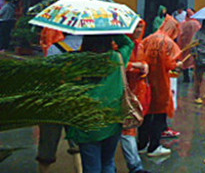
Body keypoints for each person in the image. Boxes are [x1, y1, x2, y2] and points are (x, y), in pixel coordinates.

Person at [66, 33, 134, 173]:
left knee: (91, 166)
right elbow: (128, 44)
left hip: (87, 121)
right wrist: (113, 29)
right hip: (113, 119)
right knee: (108, 162)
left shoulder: (78, 61)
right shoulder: (117, 58)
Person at [36, 32, 83, 173]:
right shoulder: (89, 49)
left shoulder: (55, 48)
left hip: (56, 100)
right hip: (79, 100)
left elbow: (48, 73)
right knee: (77, 145)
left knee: (48, 142)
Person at [139, 15, 182, 157]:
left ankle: (142, 144)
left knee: (146, 113)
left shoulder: (149, 38)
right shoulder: (168, 43)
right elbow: (169, 63)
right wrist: (177, 65)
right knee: (159, 115)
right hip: (161, 82)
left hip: (146, 81)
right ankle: (154, 146)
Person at [120, 19, 152, 173]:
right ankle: (135, 165)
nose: (139, 30)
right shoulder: (122, 46)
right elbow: (119, 64)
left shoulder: (141, 44)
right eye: (136, 27)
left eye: (141, 27)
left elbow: (145, 62)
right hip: (123, 91)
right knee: (128, 128)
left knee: (132, 126)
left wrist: (144, 66)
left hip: (138, 90)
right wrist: (137, 66)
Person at [176, 10, 200, 83]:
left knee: (185, 61)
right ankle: (194, 77)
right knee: (195, 61)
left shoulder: (183, 24)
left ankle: (186, 77)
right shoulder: (197, 24)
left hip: (185, 45)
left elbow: (179, 34)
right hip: (195, 45)